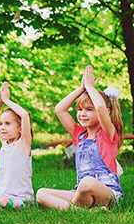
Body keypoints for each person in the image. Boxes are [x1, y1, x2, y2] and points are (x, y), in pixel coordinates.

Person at [36, 65, 124, 210]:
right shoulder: (79, 135)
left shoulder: (107, 133)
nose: (82, 114)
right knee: (41, 193)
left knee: (87, 182)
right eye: (80, 109)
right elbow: (60, 109)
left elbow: (100, 108)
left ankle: (75, 208)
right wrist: (81, 88)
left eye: (89, 110)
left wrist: (90, 87)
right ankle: (83, 211)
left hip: (107, 193)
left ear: (107, 112)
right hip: (81, 192)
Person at [0, 82, 33, 209]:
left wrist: (7, 100)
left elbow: (24, 115)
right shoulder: (5, 144)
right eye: (1, 124)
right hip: (2, 196)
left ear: (20, 128)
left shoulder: (23, 144)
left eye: (7, 123)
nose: (2, 127)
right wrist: (0, 102)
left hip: (22, 201)